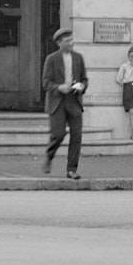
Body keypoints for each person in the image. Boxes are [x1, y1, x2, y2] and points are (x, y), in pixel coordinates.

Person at [40, 28, 87, 179]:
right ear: (59, 43)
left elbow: (84, 78)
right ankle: (49, 156)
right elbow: (46, 83)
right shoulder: (51, 59)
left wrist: (81, 86)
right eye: (67, 41)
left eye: (72, 40)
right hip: (57, 102)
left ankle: (71, 170)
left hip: (74, 101)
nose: (71, 43)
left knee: (76, 136)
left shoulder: (78, 58)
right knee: (58, 134)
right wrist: (59, 87)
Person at [115, 45, 133, 149]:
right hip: (128, 87)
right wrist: (125, 82)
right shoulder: (124, 66)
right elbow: (118, 79)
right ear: (128, 56)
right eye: (132, 56)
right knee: (131, 111)